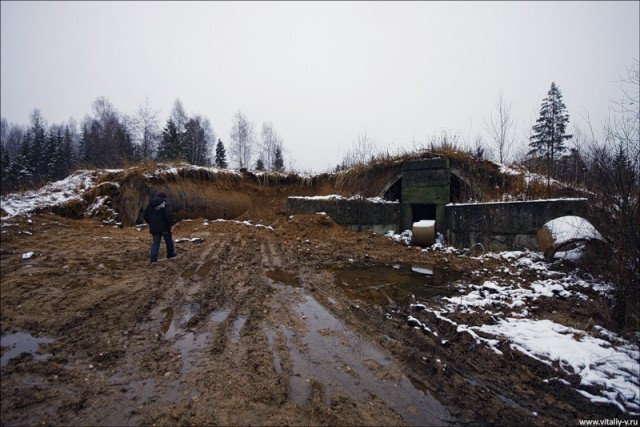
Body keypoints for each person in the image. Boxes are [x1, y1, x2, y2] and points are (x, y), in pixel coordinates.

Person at [142, 191, 177, 263]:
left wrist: (151, 223)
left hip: (154, 228)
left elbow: (145, 216)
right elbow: (168, 215)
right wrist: (170, 223)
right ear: (164, 197)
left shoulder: (150, 205)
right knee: (168, 241)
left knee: (156, 242)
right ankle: (170, 255)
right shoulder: (164, 203)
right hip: (164, 227)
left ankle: (153, 259)